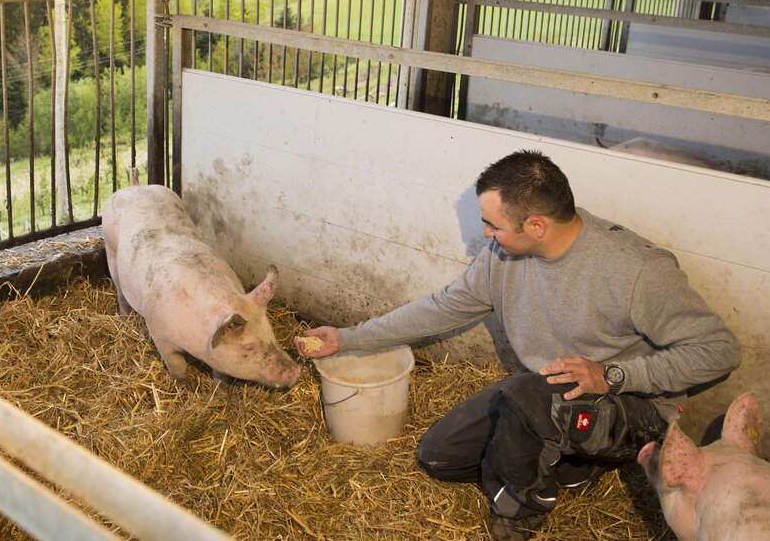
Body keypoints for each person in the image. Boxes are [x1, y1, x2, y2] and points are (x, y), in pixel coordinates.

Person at [295, 149, 741, 541]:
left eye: (493, 225)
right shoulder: (505, 255)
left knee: (525, 396)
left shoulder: (636, 270)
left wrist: (613, 375)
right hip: (543, 390)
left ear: (537, 225)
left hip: (633, 407)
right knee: (439, 457)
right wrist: (349, 338)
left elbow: (720, 350)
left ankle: (521, 513)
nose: (485, 235)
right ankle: (568, 464)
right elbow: (444, 307)